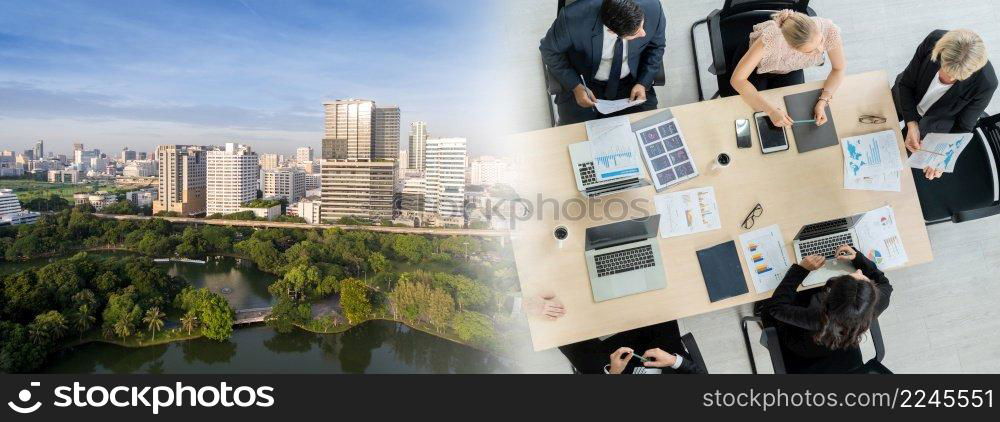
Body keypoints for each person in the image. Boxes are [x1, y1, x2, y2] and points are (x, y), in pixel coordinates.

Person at [761, 246, 892, 373]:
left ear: (829, 295)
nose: (859, 272)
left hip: (802, 347)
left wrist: (801, 269)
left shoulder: (815, 316)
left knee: (770, 306)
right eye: (863, 279)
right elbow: (885, 284)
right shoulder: (875, 305)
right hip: (841, 345)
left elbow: (775, 308)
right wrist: (858, 258)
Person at [539, 0, 666, 126]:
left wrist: (643, 83)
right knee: (578, 138)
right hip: (584, 83)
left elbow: (656, 47)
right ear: (612, 31)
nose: (643, 33)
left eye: (642, 26)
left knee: (648, 130)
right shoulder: (572, 19)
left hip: (632, 82)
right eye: (635, 33)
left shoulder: (653, 7)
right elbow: (548, 50)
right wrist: (575, 86)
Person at [893, 29, 997, 180]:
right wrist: (911, 123)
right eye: (945, 68)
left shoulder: (986, 83)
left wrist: (943, 158)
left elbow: (963, 127)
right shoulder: (934, 40)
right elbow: (906, 84)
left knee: (897, 162)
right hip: (905, 97)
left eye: (955, 77)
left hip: (932, 124)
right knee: (870, 123)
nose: (946, 78)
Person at [729, 10, 846, 128]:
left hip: (788, 68)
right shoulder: (771, 39)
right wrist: (771, 111)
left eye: (821, 41)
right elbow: (738, 80)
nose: (821, 50)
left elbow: (839, 69)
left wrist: (823, 101)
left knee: (794, 110)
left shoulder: (829, 30)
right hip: (755, 66)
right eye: (810, 51)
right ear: (790, 47)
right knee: (753, 112)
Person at [558, 321, 707, 374]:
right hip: (666, 364)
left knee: (578, 350)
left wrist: (614, 373)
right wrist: (673, 360)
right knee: (658, 306)